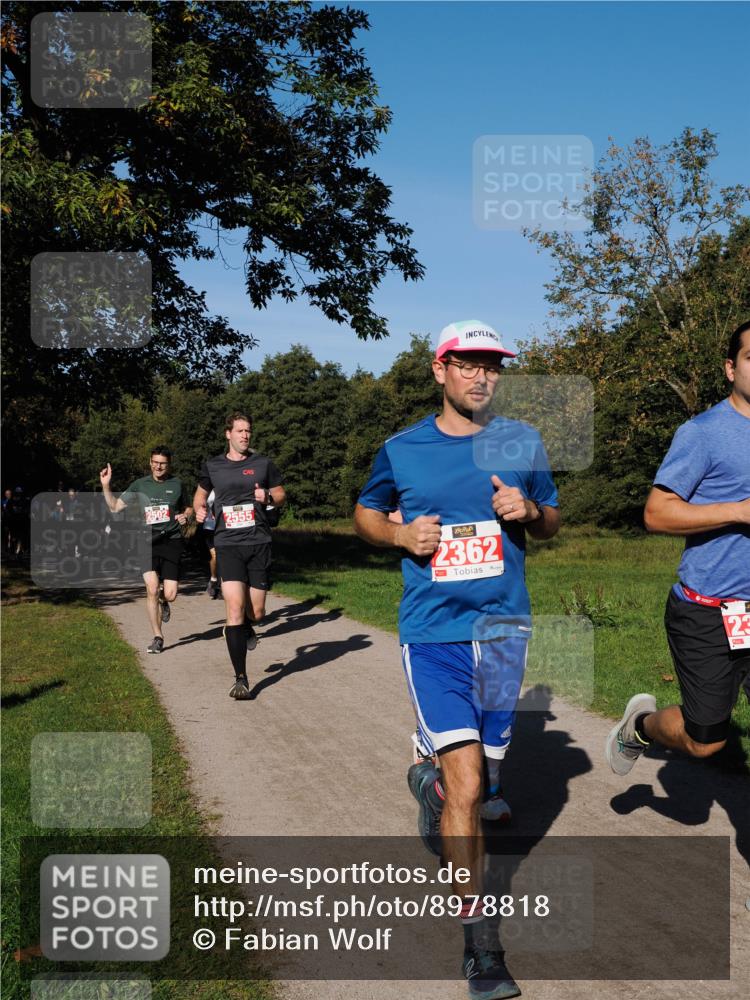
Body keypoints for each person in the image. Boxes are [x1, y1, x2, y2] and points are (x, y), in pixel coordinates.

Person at [354, 319, 560, 1000]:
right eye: (468, 364)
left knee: (484, 778)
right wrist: (396, 534)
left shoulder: (520, 441)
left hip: (503, 633)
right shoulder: (402, 449)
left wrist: (528, 509)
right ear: (440, 370)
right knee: (473, 787)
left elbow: (554, 519)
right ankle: (480, 949)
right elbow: (365, 511)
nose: (482, 376)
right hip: (434, 634)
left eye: (492, 366)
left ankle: (432, 787)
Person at [606, 320, 750, 775]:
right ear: (731, 368)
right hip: (707, 611)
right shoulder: (703, 432)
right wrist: (740, 510)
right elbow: (656, 513)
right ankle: (642, 726)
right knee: (705, 741)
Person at [193, 412, 286, 699]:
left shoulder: (263, 464)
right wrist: (198, 508)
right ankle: (241, 679)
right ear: (228, 434)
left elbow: (281, 493)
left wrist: (268, 499)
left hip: (258, 542)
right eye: (240, 431)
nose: (245, 435)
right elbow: (199, 495)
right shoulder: (213, 466)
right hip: (228, 543)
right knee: (233, 609)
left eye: (248, 431)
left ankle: (248, 626)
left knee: (256, 613)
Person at [100, 447, 192, 653]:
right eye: (155, 462)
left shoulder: (177, 484)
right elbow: (114, 507)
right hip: (146, 540)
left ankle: (163, 601)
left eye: (163, 463)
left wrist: (186, 516)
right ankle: (157, 637)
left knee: (170, 594)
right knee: (151, 587)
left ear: (169, 465)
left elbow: (188, 507)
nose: (158, 466)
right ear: (150, 462)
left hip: (172, 541)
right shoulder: (139, 484)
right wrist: (106, 486)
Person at [203, 489, 220, 598]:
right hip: (210, 527)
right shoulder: (208, 490)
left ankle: (223, 586)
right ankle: (213, 579)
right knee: (216, 556)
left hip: (227, 528)